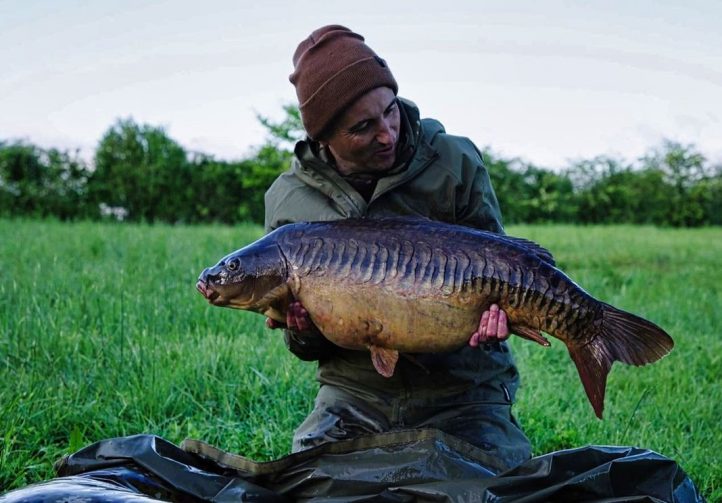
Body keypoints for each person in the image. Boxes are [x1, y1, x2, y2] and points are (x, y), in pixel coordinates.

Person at [264, 24, 531, 471]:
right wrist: (303, 330)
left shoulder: (455, 161)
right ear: (324, 137)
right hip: (354, 394)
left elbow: (500, 268)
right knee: (311, 487)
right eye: (363, 128)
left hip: (463, 390)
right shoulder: (290, 201)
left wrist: (495, 319)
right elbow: (306, 347)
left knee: (487, 490)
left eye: (390, 111)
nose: (387, 134)